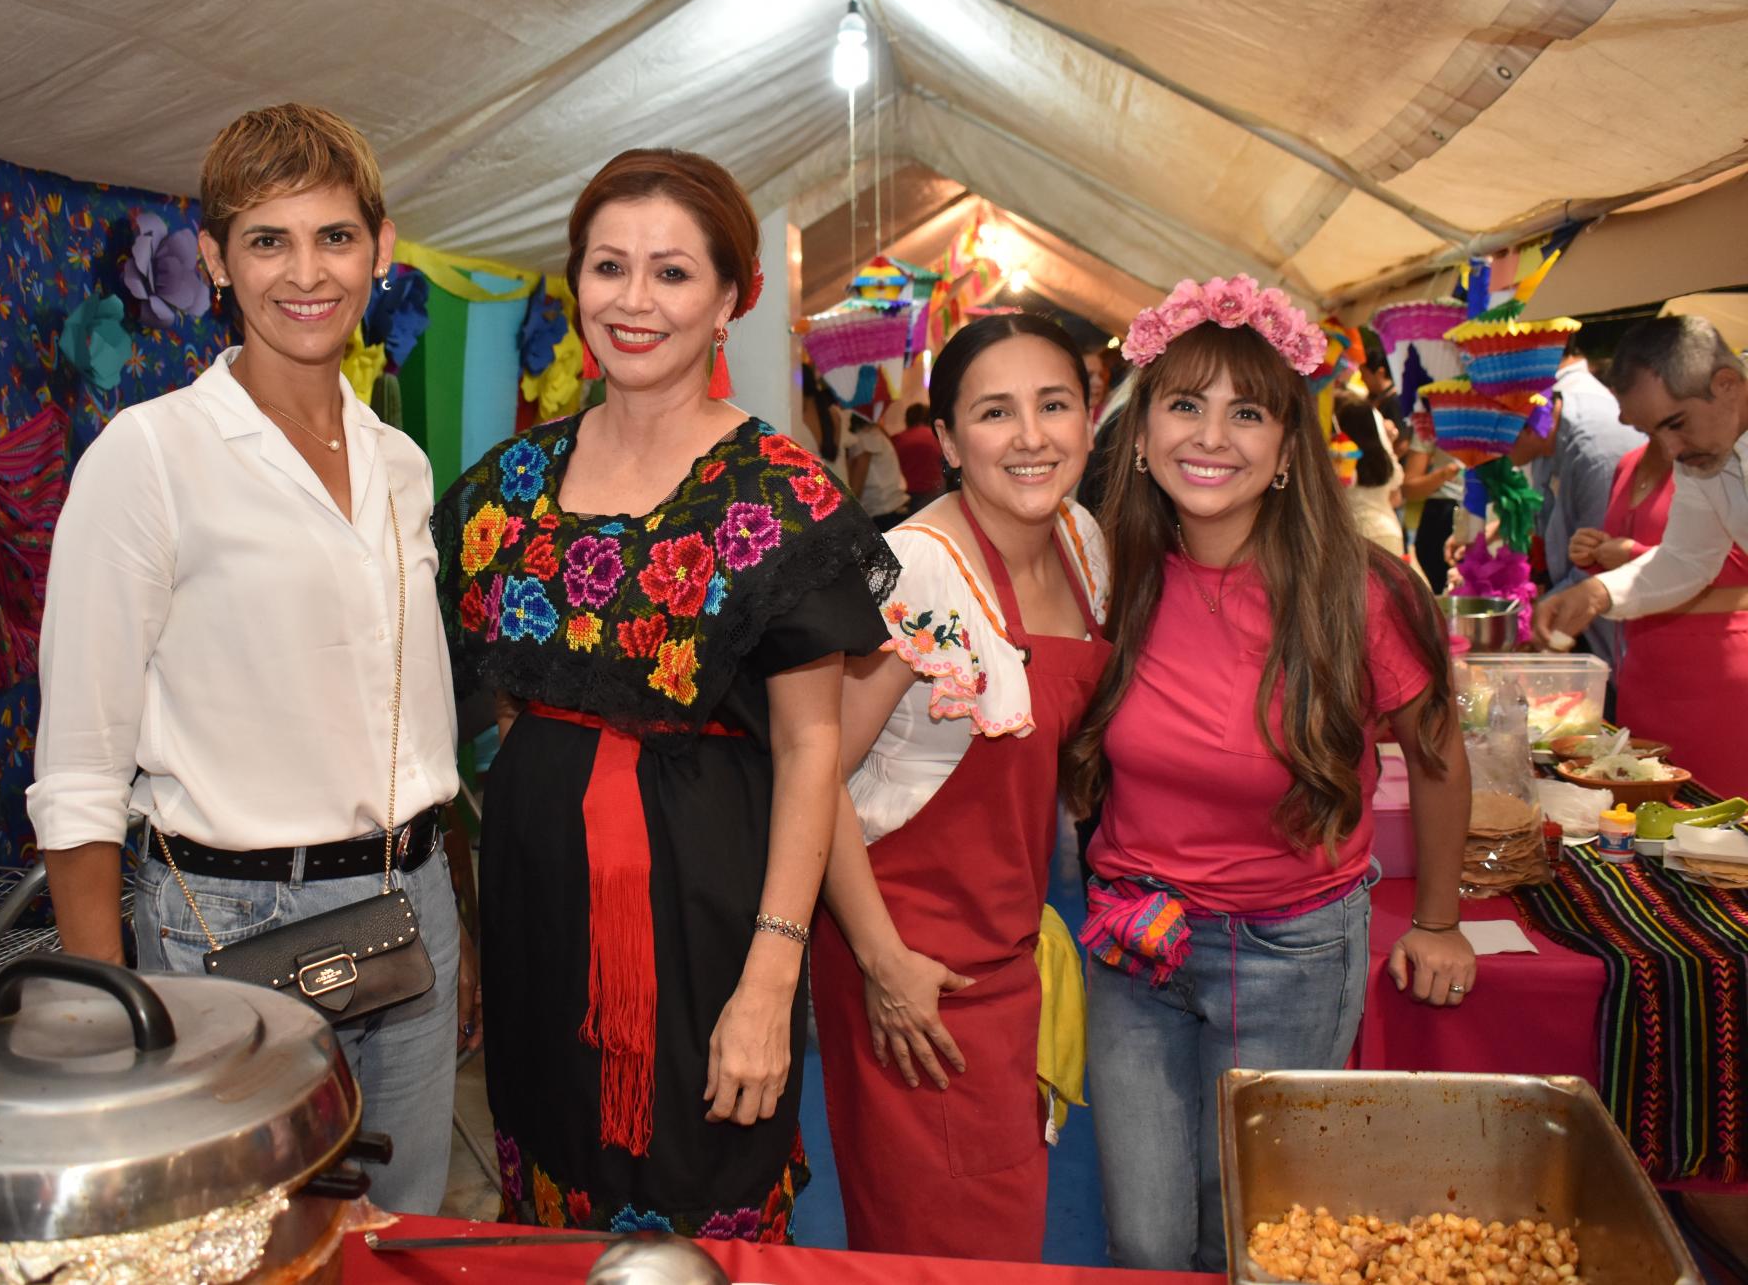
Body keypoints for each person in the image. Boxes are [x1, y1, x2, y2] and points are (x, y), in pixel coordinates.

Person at [431, 148, 897, 1242]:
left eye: (672, 273)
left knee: (701, 1212)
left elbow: (808, 750)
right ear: (574, 282)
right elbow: (507, 704)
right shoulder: (507, 488)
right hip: (539, 911)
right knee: (544, 1208)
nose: (633, 302)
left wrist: (769, 981)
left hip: (708, 920)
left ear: (733, 294)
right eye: (608, 267)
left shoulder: (779, 495)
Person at [27, 104, 469, 1212]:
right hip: (225, 920)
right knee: (248, 1243)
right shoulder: (149, 456)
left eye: (333, 236)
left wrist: (450, 891)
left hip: (408, 895)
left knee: (401, 1225)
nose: (305, 273)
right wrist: (103, 1008)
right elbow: (79, 771)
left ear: (381, 247)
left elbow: (405, 715)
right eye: (268, 240)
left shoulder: (401, 462)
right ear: (216, 261)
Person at [1062, 276, 1473, 1272]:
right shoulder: (1102, 572)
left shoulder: (1359, 590)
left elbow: (1435, 754)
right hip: (1133, 940)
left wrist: (1437, 919)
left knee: (1253, 1234)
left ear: (1288, 448)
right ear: (1143, 428)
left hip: (1289, 948)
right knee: (1147, 1240)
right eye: (1183, 404)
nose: (1210, 436)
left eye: (1245, 411)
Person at [812, 314, 1110, 1262]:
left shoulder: (1081, 541)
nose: (1031, 435)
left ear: (1090, 419)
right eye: (995, 411)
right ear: (945, 439)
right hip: (911, 963)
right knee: (938, 1252)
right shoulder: (914, 568)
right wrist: (883, 964)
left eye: (1053, 404)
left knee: (1002, 1234)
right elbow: (809, 768)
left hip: (1006, 949)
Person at [1538, 315, 1748, 676]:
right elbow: (1688, 559)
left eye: (1676, 423)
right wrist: (1598, 592)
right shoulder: (1699, 453)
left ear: (1726, 384)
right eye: (1649, 432)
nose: (1669, 451)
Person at [1572, 436, 1748, 793]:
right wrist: (1597, 565)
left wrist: (1630, 557)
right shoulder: (1631, 462)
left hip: (1714, 670)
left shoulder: (1710, 453)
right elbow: (1679, 562)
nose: (1621, 421)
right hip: (1643, 666)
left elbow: (1720, 567)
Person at [1513, 338, 1646, 666]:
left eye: (1492, 442)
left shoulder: (1595, 449)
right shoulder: (1549, 438)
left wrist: (1540, 617)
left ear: (1525, 425)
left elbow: (1598, 561)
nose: (1491, 457)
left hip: (1621, 639)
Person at [1335, 396, 1405, 556]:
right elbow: (1396, 498)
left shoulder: (1342, 460)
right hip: (1390, 531)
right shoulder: (1387, 461)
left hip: (1359, 534)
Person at [1400, 415, 1463, 592]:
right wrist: (1445, 474)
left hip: (1493, 516)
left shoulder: (1502, 409)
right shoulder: (1433, 416)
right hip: (1442, 516)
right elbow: (1409, 488)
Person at [845, 411, 910, 526]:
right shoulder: (874, 432)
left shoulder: (865, 437)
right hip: (893, 507)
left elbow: (856, 487)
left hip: (883, 512)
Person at [890, 399, 945, 509]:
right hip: (933, 492)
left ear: (907, 419)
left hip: (903, 495)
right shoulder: (938, 438)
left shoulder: (896, 439)